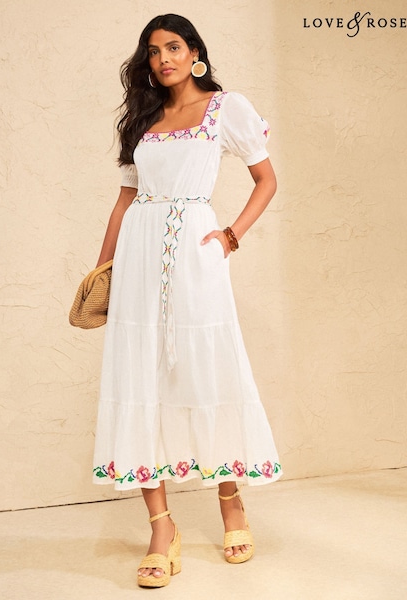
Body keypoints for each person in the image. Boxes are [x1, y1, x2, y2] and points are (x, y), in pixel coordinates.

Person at [92, 13, 282, 588]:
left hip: (196, 255)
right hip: (138, 257)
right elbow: (125, 200)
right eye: (153, 52)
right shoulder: (142, 119)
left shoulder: (226, 109)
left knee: (207, 371)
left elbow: (266, 179)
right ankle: (161, 528)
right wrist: (102, 270)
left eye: (173, 47)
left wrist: (230, 236)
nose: (163, 59)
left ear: (195, 53)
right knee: (140, 379)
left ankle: (231, 505)